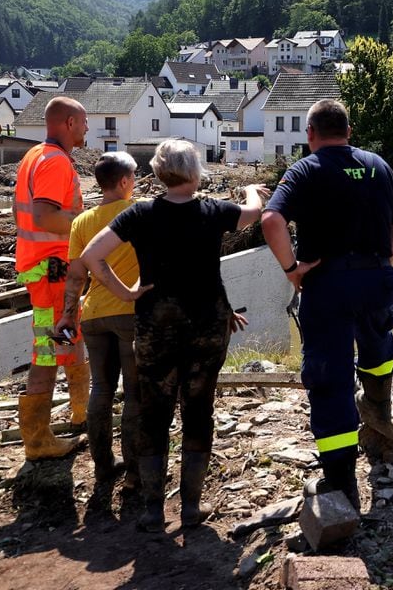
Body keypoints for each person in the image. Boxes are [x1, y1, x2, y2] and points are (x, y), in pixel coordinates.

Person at [77, 138, 268, 532]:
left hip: (155, 328)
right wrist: (251, 190)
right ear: (196, 173)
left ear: (158, 172)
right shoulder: (214, 211)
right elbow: (254, 213)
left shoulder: (141, 214)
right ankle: (191, 509)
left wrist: (125, 293)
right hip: (207, 327)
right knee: (199, 410)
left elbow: (92, 256)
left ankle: (152, 509)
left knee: (154, 413)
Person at [260, 99, 393, 511]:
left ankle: (343, 482)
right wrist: (385, 261)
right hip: (377, 278)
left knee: (330, 377)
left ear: (310, 133)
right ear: (348, 129)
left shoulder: (306, 169)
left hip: (327, 283)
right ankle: (378, 410)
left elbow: (271, 220)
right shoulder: (377, 165)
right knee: (377, 343)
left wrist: (292, 268)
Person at [56, 151, 142, 496]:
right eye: (134, 177)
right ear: (123, 182)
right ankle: (135, 470)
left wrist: (67, 314)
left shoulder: (82, 222)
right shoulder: (139, 213)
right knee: (134, 393)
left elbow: (76, 276)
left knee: (101, 390)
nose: (135, 183)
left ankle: (103, 467)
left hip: (93, 315)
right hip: (131, 313)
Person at [13, 96, 90, 461]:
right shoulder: (55, 162)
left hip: (48, 270)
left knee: (71, 336)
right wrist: (85, 226)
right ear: (70, 123)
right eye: (84, 122)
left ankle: (81, 415)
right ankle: (39, 442)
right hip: (51, 273)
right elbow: (44, 217)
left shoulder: (35, 155)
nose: (88, 128)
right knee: (47, 351)